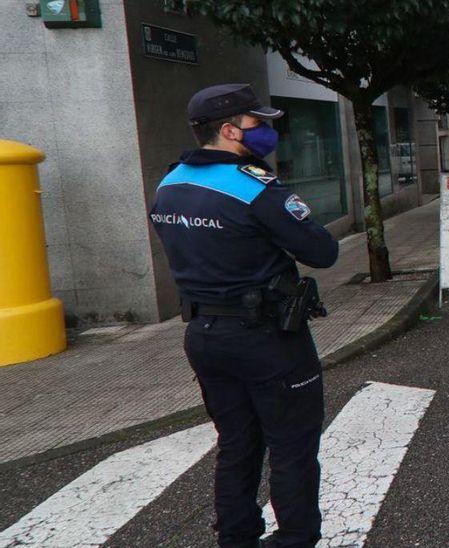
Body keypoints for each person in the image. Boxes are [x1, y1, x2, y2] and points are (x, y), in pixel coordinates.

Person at [149, 83, 339, 548]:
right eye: (259, 124)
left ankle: (236, 538)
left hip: (204, 335)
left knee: (237, 444)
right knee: (292, 446)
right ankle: (294, 540)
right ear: (231, 130)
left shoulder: (168, 185)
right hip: (267, 338)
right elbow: (323, 251)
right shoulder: (254, 187)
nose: (268, 132)